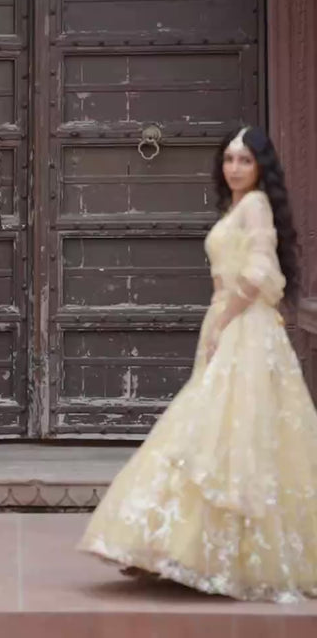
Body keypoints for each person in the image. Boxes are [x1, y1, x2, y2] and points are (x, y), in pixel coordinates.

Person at [78, 126, 317, 602]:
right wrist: (215, 322)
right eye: (228, 159)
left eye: (245, 160)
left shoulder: (255, 206)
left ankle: (220, 554)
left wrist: (225, 318)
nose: (234, 168)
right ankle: (182, 549)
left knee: (229, 435)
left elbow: (261, 272)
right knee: (215, 434)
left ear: (261, 167)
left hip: (246, 330)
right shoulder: (235, 208)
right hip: (228, 324)